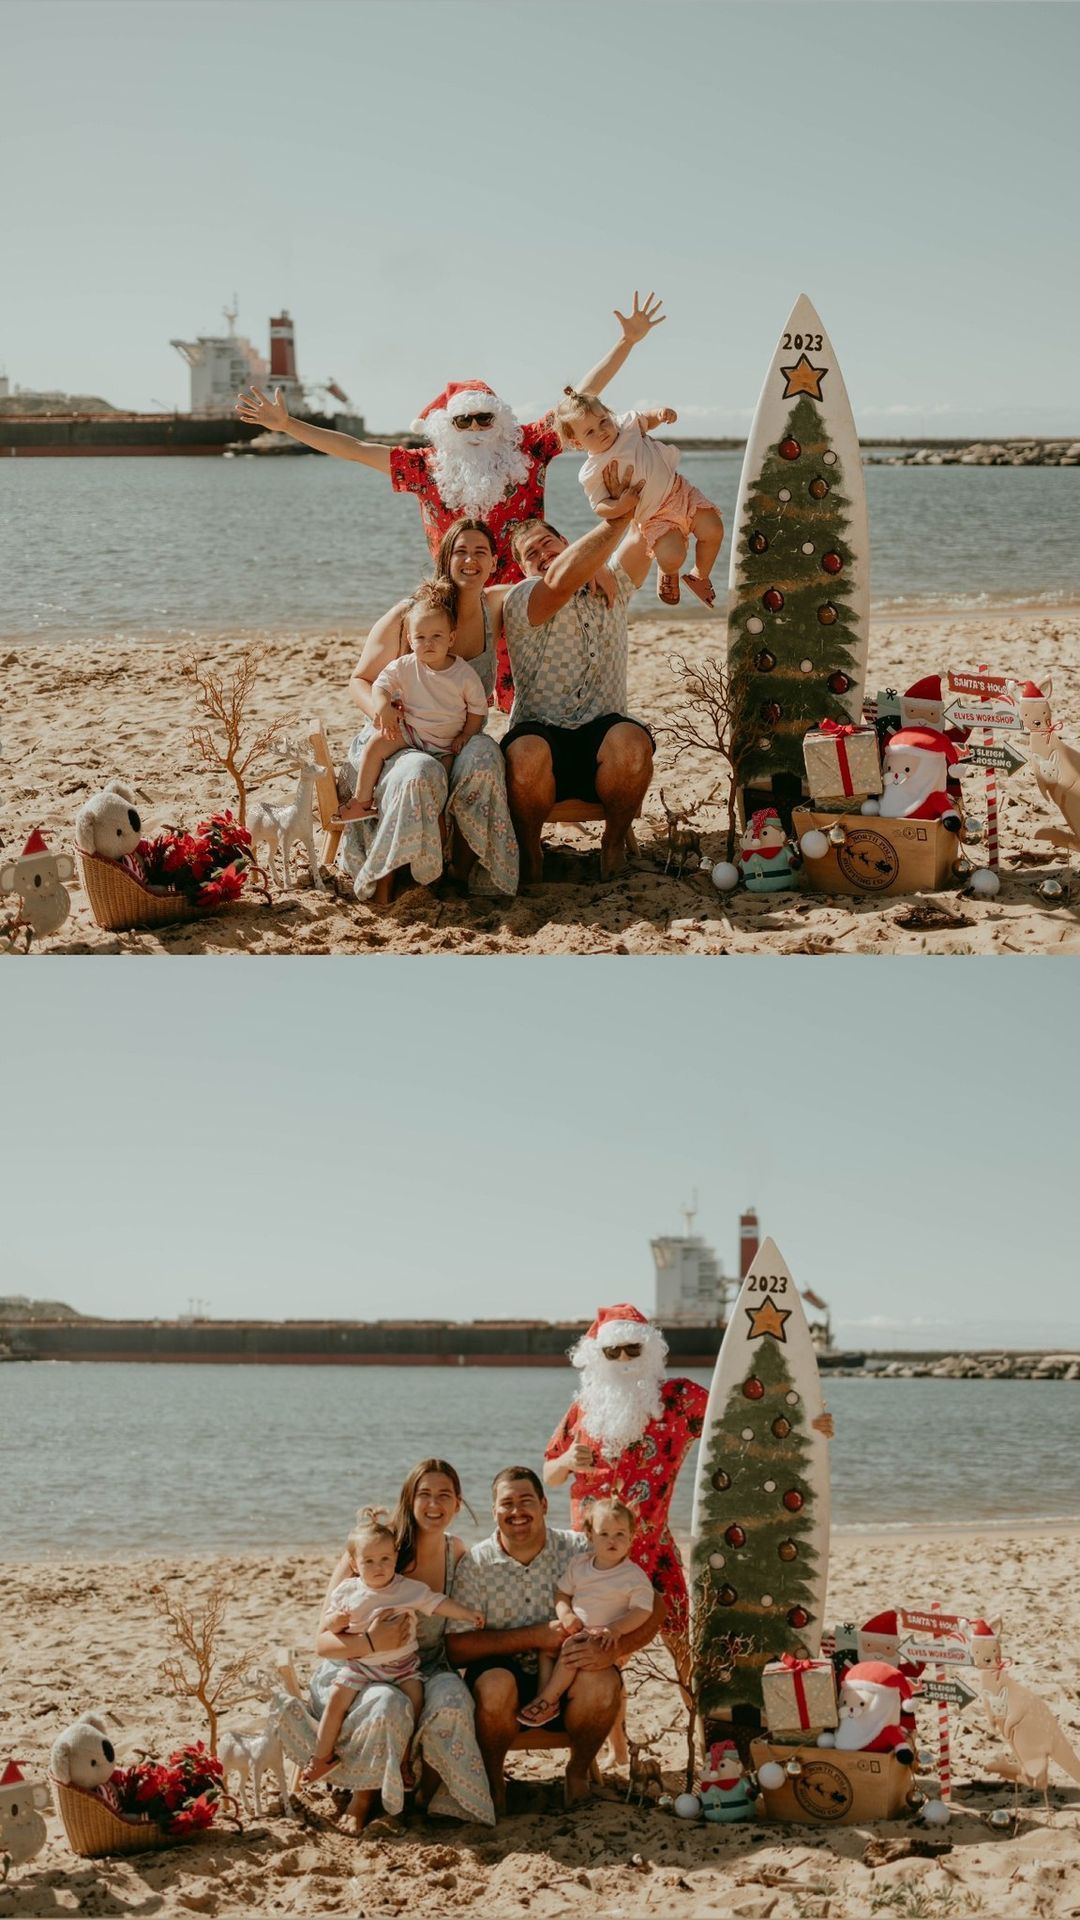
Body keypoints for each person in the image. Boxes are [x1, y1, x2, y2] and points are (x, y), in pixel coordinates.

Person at [235, 292, 666, 706]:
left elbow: (578, 404)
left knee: (540, 695)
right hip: (459, 600)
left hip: (530, 596)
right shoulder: (424, 468)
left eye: (486, 417)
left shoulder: (526, 449)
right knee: (455, 699)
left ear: (499, 419)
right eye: (466, 420)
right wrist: (289, 425)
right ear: (448, 426)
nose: (477, 427)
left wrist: (626, 342)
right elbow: (353, 448)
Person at [543, 1303, 834, 1691]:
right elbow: (550, 1475)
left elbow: (739, 1417)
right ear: (598, 1357)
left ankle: (697, 1726)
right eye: (613, 1352)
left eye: (633, 1349)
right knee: (597, 1651)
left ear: (650, 1351)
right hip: (590, 1554)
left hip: (652, 1548)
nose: (624, 1358)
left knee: (681, 1641)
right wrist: (565, 1459)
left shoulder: (678, 1400)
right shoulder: (583, 1409)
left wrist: (808, 1424)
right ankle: (614, 1748)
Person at [274, 1460, 495, 1832]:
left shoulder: (456, 1552)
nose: (434, 1505)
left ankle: (425, 1795)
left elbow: (454, 1610)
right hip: (358, 1662)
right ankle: (364, 1797)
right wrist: (372, 1640)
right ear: (408, 1499)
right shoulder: (373, 1547)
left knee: (454, 1700)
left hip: (422, 1665)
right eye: (424, 1494)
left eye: (445, 1495)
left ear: (458, 1503)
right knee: (388, 1702)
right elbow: (323, 1643)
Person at [445, 1466, 665, 1814]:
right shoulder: (476, 1564)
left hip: (575, 1673)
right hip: (506, 1679)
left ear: (545, 1504)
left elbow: (654, 1605)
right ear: (494, 1512)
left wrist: (615, 1649)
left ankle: (577, 1776)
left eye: (526, 1501)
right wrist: (533, 1637)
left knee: (603, 1682)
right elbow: (456, 1648)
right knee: (494, 1684)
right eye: (507, 1504)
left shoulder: (581, 1549)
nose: (517, 1511)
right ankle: (493, 1783)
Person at [337, 519, 519, 904]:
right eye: (460, 551)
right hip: (399, 736)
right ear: (445, 558)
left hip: (455, 732)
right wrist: (382, 713)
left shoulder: (499, 603)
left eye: (480, 552)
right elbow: (360, 679)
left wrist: (601, 572)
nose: (470, 560)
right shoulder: (411, 615)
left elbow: (552, 584)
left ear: (493, 562)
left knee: (486, 757)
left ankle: (466, 872)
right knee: (419, 770)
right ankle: (396, 872)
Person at [499, 479, 655, 883]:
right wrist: (608, 532)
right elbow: (559, 582)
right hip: (543, 736)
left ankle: (614, 842)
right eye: (530, 554)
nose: (542, 555)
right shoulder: (524, 598)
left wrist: (639, 478)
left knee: (633, 744)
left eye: (548, 544)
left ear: (567, 542)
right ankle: (531, 851)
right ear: (522, 569)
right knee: (525, 753)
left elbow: (644, 534)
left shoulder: (613, 585)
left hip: (602, 735)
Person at [302, 1505, 483, 1786]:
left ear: (396, 1557)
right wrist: (337, 1620)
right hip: (362, 1666)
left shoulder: (406, 1588)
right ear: (354, 1563)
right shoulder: (349, 1590)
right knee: (337, 1701)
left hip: (403, 1667)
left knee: (416, 1702)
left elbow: (436, 1603)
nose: (378, 1567)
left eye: (385, 1559)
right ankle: (321, 1757)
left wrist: (467, 1613)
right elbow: (328, 1628)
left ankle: (404, 1760)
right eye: (369, 1561)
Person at [554, 386, 725, 608]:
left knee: (714, 530)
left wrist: (661, 414)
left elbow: (647, 418)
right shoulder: (592, 471)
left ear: (609, 414)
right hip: (655, 517)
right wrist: (620, 505)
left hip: (680, 492)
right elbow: (600, 506)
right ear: (577, 442)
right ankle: (668, 571)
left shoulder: (627, 425)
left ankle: (699, 576)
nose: (602, 431)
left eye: (603, 421)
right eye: (590, 432)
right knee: (673, 556)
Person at [332, 582, 487, 824]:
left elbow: (478, 709)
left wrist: (467, 734)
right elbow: (380, 685)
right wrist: (383, 706)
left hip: (446, 743)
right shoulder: (404, 665)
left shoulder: (463, 674)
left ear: (451, 638)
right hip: (411, 732)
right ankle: (361, 801)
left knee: (442, 785)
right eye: (421, 638)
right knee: (375, 746)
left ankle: (442, 827)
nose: (429, 643)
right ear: (410, 640)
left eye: (437, 636)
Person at [517, 1497, 655, 1729]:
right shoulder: (580, 1565)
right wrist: (566, 1615)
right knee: (546, 1650)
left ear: (631, 1537)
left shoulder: (632, 1575)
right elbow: (561, 1594)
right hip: (576, 1629)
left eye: (620, 1534)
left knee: (572, 1651)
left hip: (603, 1637)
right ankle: (546, 1695)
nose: (612, 1540)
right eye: (604, 1534)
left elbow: (643, 1610)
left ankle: (548, 1701)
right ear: (590, 1536)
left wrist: (616, 1629)